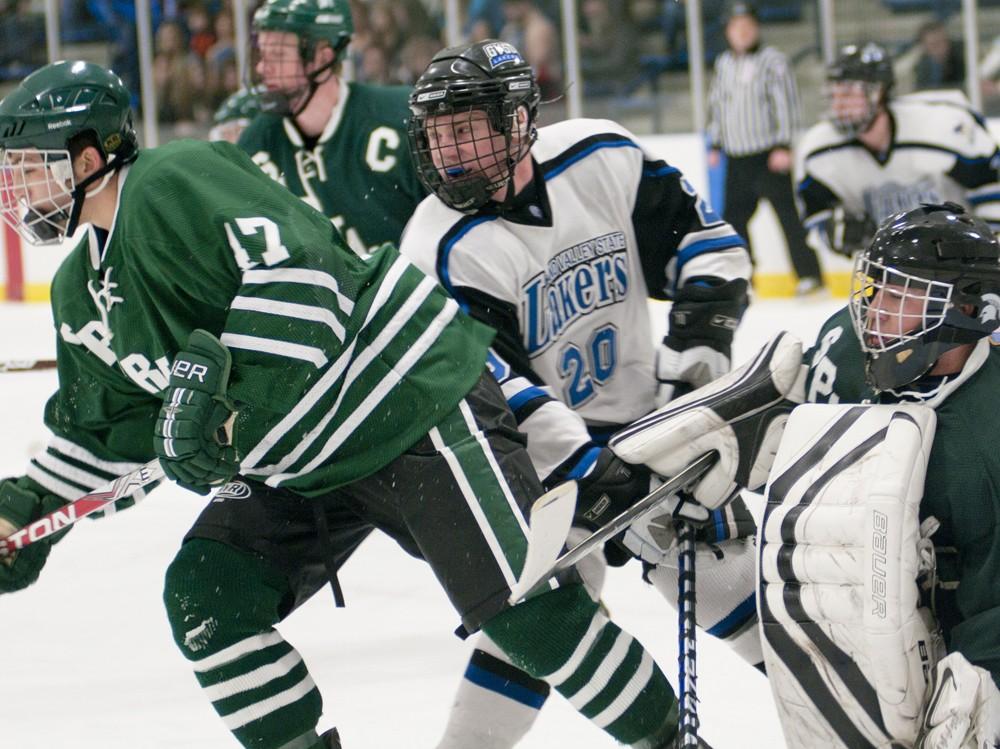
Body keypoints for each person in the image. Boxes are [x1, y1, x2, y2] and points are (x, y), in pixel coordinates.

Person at [0, 60, 694, 749]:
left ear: (88, 155)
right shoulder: (79, 292)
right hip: (306, 459)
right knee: (208, 593)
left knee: (526, 615)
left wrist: (228, 407)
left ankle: (672, 741)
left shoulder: (170, 180)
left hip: (404, 401)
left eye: (29, 165)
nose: (15, 186)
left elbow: (302, 271)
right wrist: (26, 509)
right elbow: (109, 429)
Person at [400, 39, 754, 749]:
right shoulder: (440, 247)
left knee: (742, 598)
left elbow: (705, 244)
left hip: (649, 423)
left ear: (520, 121)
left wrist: (696, 349)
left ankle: (858, 724)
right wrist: (593, 474)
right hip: (542, 464)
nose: (449, 151)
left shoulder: (601, 155)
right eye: (437, 134)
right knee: (540, 617)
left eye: (465, 128)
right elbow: (501, 391)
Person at [792, 202, 1000, 747]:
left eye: (903, 296)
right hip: (860, 606)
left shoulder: (990, 433)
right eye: (876, 288)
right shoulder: (843, 345)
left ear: (967, 311)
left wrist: (982, 680)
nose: (876, 312)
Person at [239, 0, 425, 256]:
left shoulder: (400, 119)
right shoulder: (256, 144)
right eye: (262, 53)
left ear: (322, 57)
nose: (262, 67)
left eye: (278, 55)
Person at [796, 42, 1000, 260]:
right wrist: (832, 232)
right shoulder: (819, 150)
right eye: (833, 95)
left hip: (962, 259)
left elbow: (991, 185)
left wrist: (985, 245)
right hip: (892, 268)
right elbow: (814, 214)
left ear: (879, 92)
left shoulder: (940, 126)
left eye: (848, 93)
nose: (838, 105)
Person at [706, 2, 822, 296]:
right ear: (727, 32)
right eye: (736, 27)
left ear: (756, 28)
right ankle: (744, 276)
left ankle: (809, 275)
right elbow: (718, 105)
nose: (742, 32)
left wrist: (784, 144)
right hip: (736, 155)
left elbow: (785, 102)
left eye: (747, 26)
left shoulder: (773, 61)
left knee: (787, 217)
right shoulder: (724, 63)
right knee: (734, 221)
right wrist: (716, 142)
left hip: (768, 155)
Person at [913, 19, 965, 91]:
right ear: (924, 47)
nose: (941, 48)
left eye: (944, 41)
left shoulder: (963, 57)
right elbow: (920, 91)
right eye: (934, 45)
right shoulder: (922, 67)